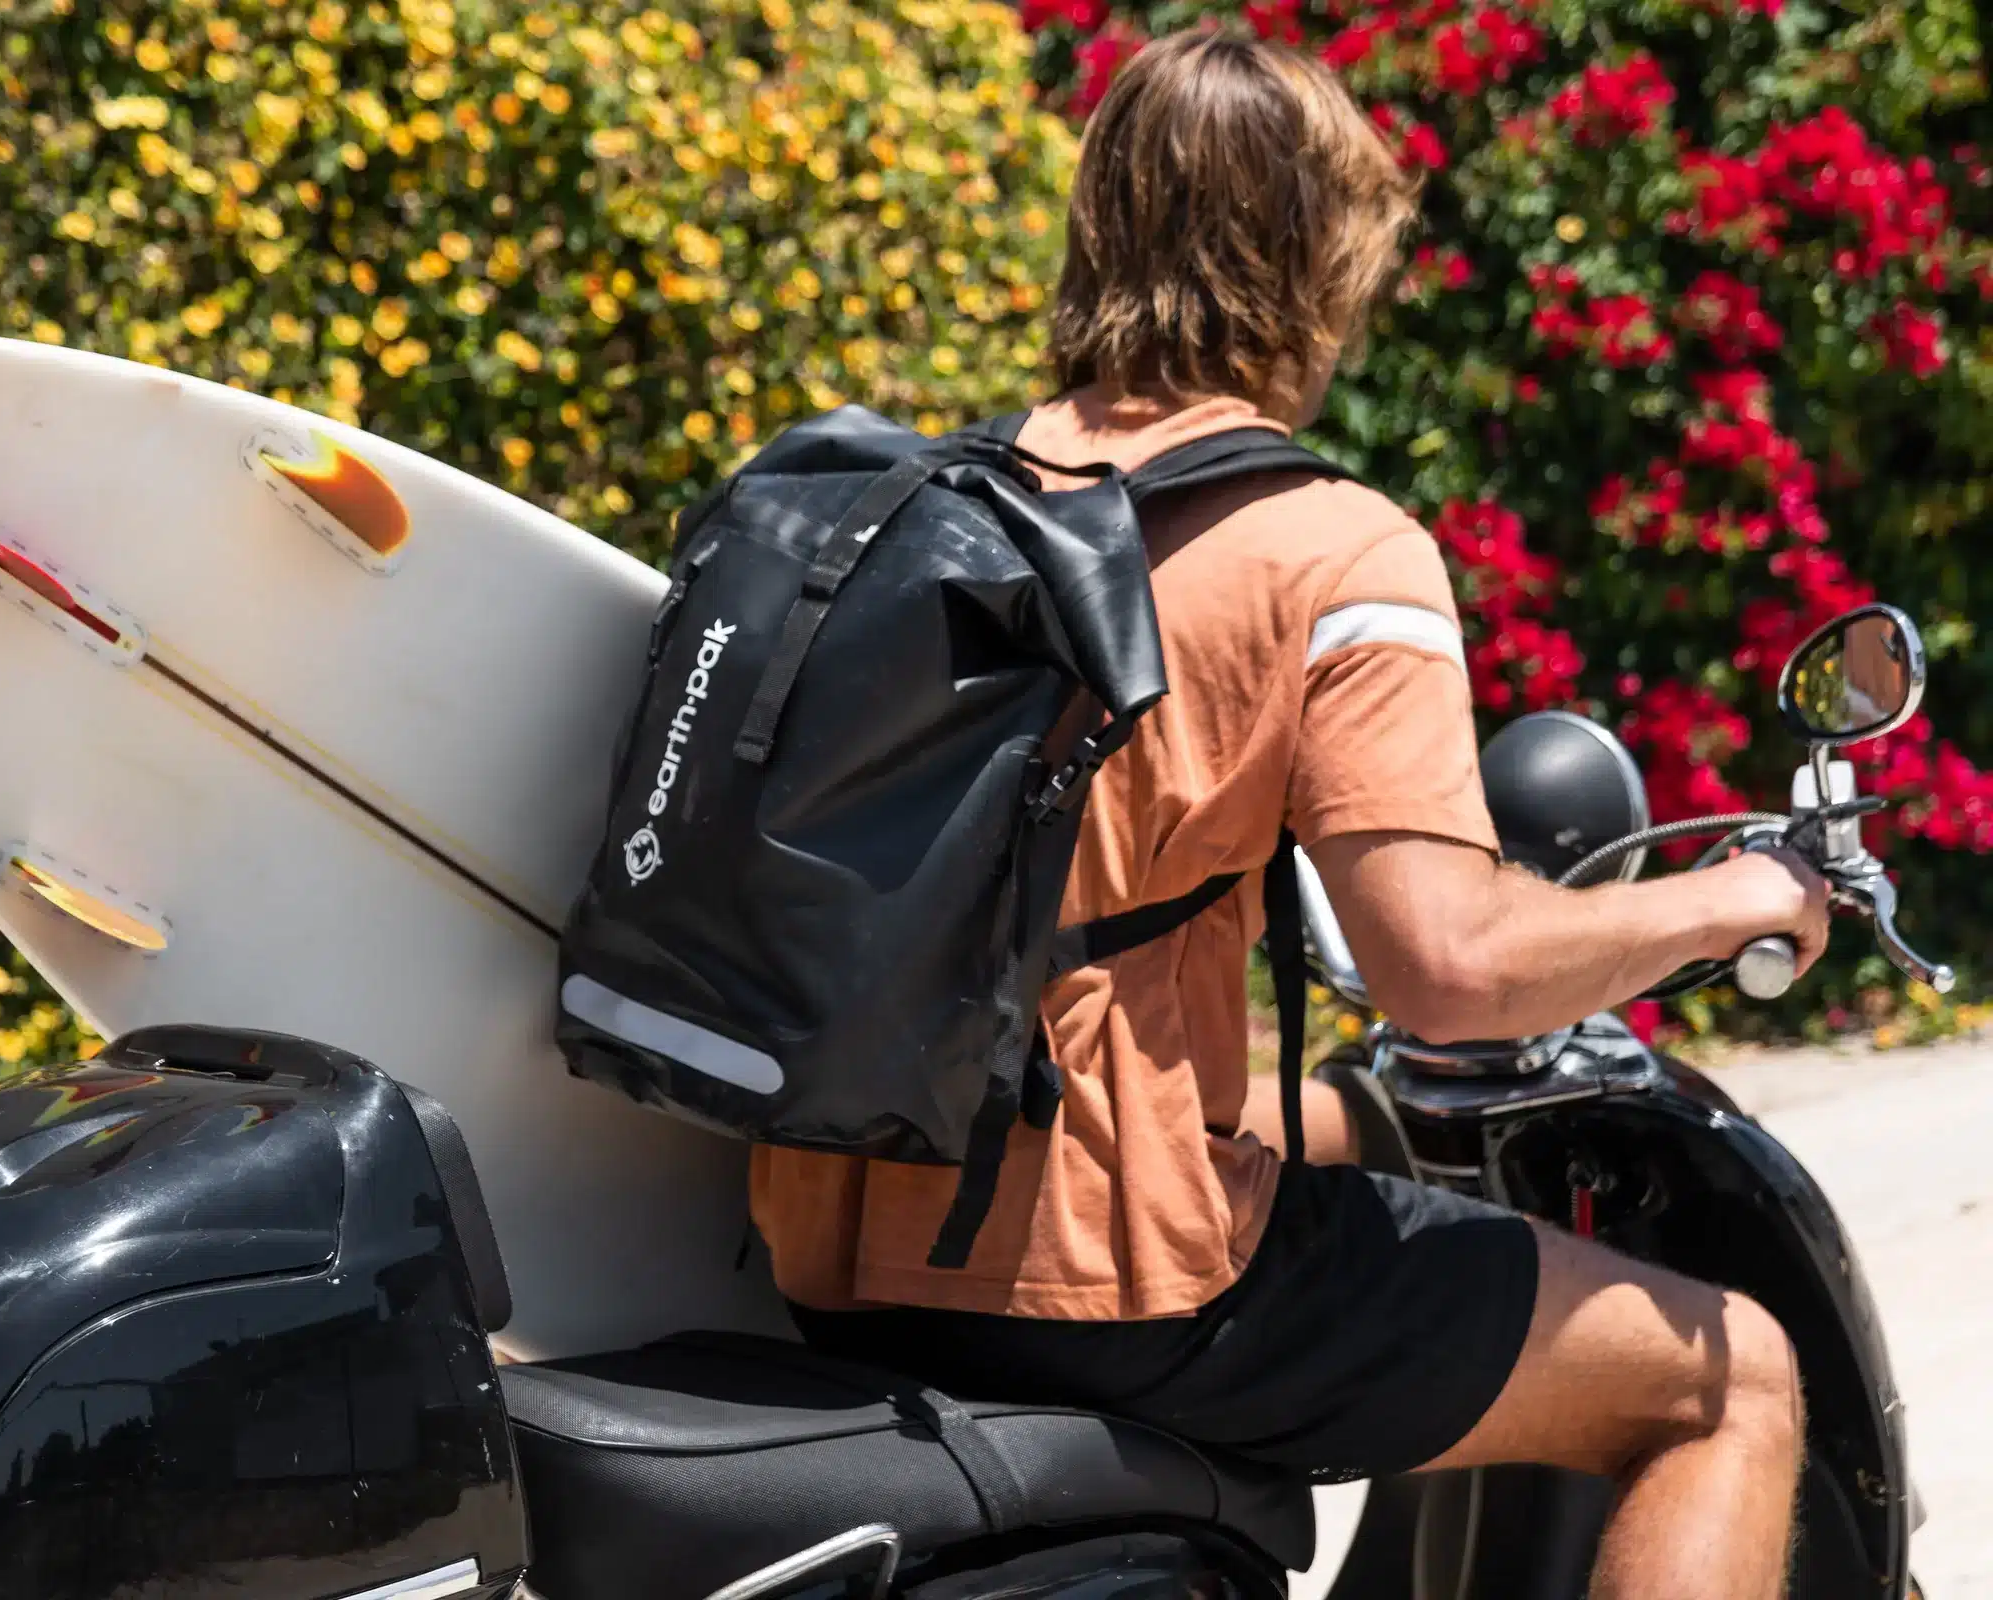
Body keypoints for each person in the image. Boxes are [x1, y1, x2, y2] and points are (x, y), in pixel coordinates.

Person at [749, 29, 1831, 1600]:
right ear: (1313, 264)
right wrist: (1736, 900)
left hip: (834, 1249)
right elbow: (1445, 967)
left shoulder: (943, 508)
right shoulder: (1329, 547)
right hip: (1105, 1292)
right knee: (1733, 1379)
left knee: (1324, 1125)